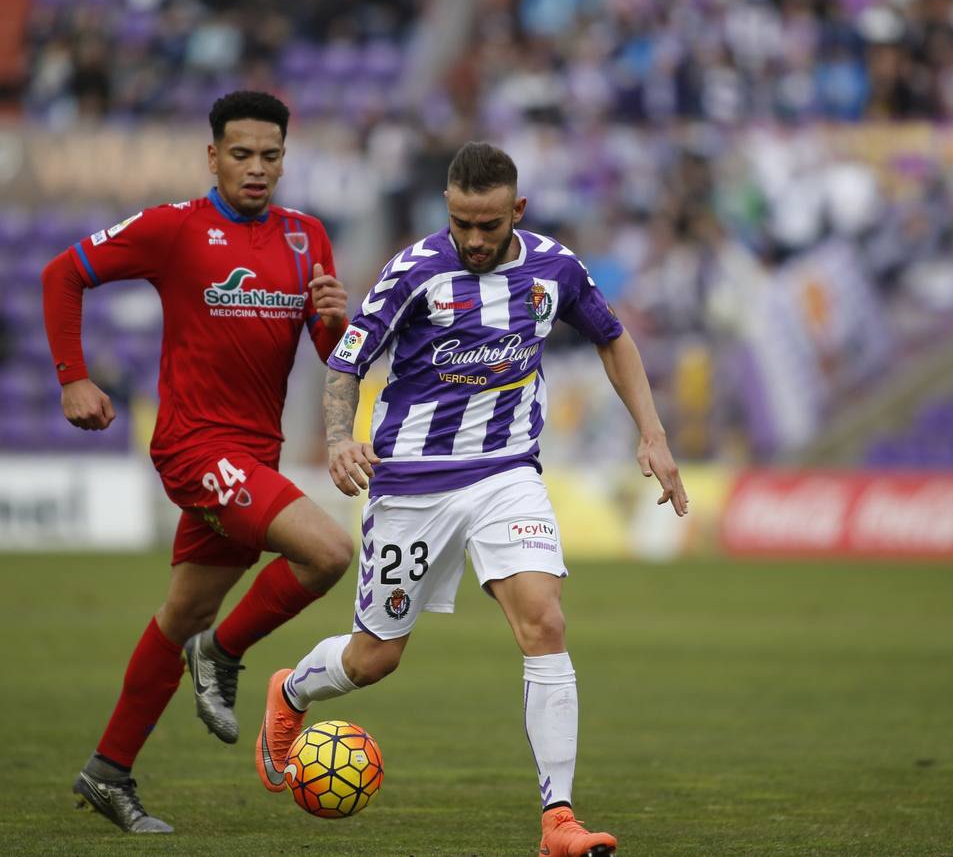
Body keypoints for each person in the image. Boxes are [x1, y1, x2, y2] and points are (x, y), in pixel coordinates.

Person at [255, 142, 688, 857]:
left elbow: (614, 341)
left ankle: (560, 822)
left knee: (544, 621)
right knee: (373, 659)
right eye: (462, 224)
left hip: (505, 475)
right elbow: (346, 361)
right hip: (412, 488)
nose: (476, 240)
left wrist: (653, 433)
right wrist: (338, 439)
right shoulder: (415, 271)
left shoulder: (555, 268)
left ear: (516, 210)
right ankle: (293, 691)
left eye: (489, 225)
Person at [41, 90, 354, 834]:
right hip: (195, 447)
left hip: (255, 455)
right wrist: (72, 376)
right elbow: (63, 274)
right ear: (211, 156)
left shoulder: (308, 237)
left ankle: (107, 772)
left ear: (285, 157)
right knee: (330, 551)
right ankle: (222, 653)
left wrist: (338, 319)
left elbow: (331, 355)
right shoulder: (173, 229)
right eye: (240, 154)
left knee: (182, 611)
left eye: (269, 156)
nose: (256, 168)